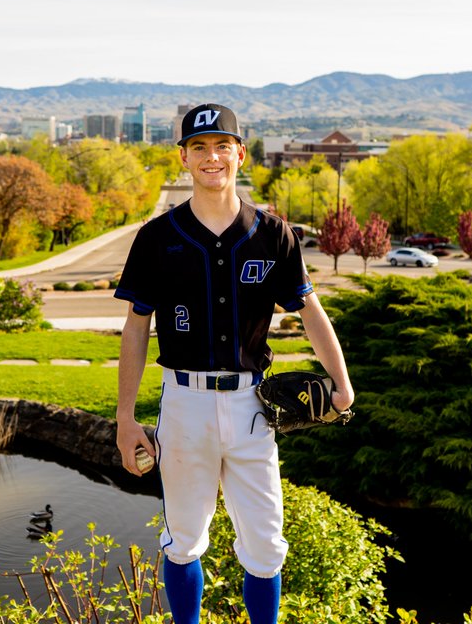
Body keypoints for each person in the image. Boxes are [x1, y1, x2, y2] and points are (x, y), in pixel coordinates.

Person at [114, 102, 354, 624]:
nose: (212, 156)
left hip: (252, 406)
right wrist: (125, 418)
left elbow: (309, 310)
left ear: (240, 154)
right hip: (184, 404)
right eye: (199, 147)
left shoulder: (274, 234)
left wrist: (342, 383)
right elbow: (135, 328)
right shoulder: (156, 238)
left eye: (222, 145)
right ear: (183, 158)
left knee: (266, 546)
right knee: (183, 541)